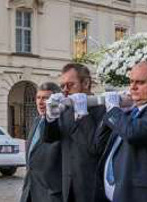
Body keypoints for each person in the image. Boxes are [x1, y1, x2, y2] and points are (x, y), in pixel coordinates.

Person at [95, 61, 147, 201]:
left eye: (140, 82)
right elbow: (98, 145)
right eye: (131, 82)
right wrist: (111, 113)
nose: (133, 87)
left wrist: (114, 111)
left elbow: (133, 133)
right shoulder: (128, 113)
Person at [44, 63, 109, 202]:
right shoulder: (66, 109)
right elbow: (51, 139)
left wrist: (83, 115)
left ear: (86, 83)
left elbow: (96, 147)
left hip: (93, 187)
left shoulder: (102, 108)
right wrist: (50, 118)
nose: (65, 90)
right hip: (68, 185)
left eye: (70, 85)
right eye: (62, 86)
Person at [20, 83, 63, 202]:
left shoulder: (62, 124)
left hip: (51, 194)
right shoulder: (37, 121)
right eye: (38, 97)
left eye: (45, 98)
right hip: (30, 191)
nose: (40, 102)